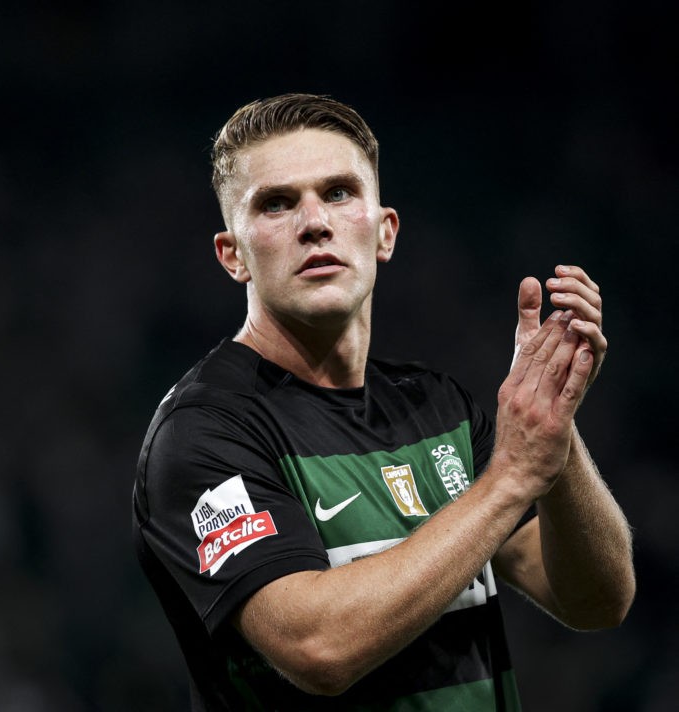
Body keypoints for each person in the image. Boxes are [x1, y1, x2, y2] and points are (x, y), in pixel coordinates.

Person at [131, 93, 636, 711]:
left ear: (385, 232)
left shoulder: (437, 406)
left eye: (339, 193)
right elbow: (319, 648)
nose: (313, 222)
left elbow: (596, 600)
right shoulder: (205, 431)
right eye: (277, 203)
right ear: (233, 254)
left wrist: (553, 424)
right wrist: (511, 478)